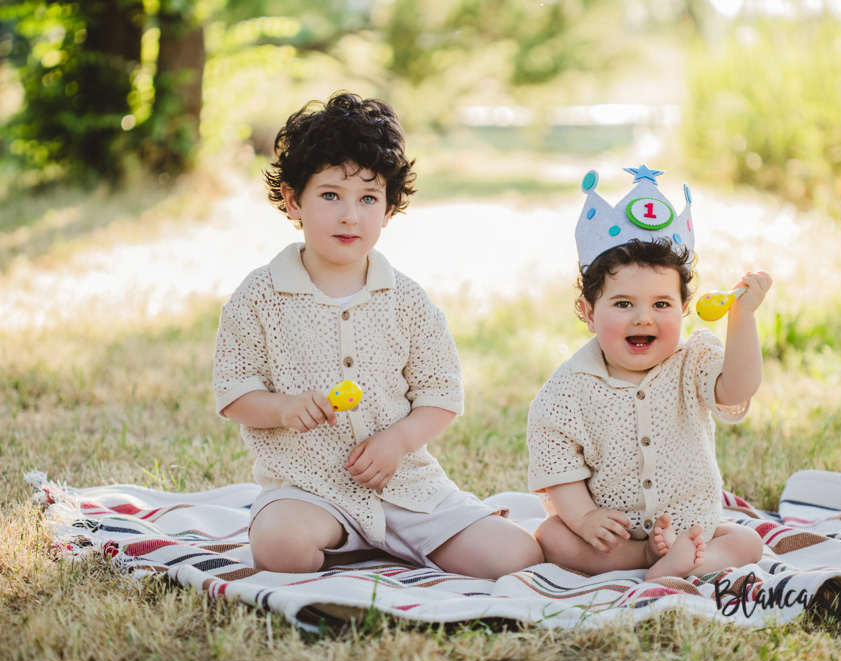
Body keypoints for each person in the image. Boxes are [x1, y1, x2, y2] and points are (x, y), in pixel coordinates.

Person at [213, 91, 542, 576]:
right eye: (330, 195)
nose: (350, 216)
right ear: (293, 200)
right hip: (307, 492)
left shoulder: (408, 301)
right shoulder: (260, 296)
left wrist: (396, 442)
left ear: (388, 209)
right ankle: (352, 545)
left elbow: (441, 395)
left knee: (518, 556)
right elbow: (233, 391)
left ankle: (382, 545)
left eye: (368, 198)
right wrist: (282, 407)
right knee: (279, 547)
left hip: (404, 486)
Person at [527, 166, 767, 580]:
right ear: (588, 312)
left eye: (661, 304)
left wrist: (742, 318)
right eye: (623, 304)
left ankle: (689, 559)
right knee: (551, 535)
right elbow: (558, 467)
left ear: (684, 308)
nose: (644, 319)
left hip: (691, 527)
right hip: (612, 534)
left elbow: (738, 388)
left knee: (748, 541)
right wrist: (585, 519)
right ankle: (645, 561)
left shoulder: (693, 361)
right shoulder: (567, 390)